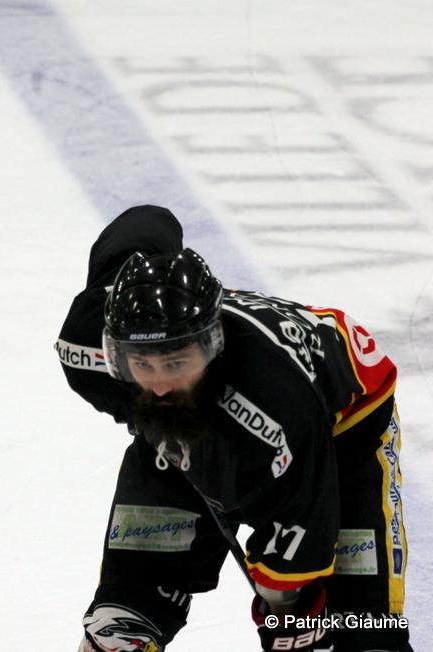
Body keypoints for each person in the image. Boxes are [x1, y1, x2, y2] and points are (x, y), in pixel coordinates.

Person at [56, 205, 410, 651]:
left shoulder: (277, 403)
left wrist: (288, 614)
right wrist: (158, 278)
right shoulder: (86, 345)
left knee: (358, 626)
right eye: (142, 364)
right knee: (126, 613)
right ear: (113, 353)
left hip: (343, 427)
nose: (160, 385)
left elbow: (302, 522)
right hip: (187, 431)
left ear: (212, 345)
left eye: (175, 362)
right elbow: (147, 220)